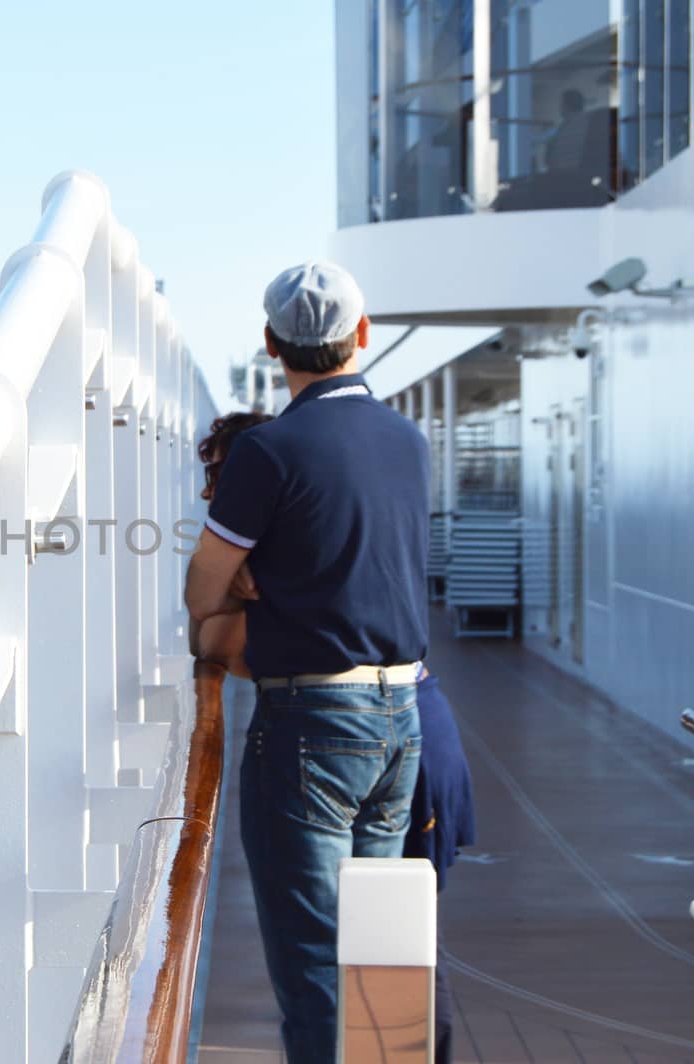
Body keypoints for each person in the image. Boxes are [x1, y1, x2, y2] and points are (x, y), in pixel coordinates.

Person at [184, 261, 430, 1062]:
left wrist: (253, 584)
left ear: (269, 344)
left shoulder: (270, 451)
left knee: (314, 961)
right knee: (379, 945)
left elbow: (201, 591)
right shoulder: (408, 441)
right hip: (402, 718)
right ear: (363, 335)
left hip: (311, 729)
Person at [192, 411, 476, 1064]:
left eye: (217, 476)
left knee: (370, 945)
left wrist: (225, 598)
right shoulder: (306, 535)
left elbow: (220, 645)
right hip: (412, 728)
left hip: (395, 742)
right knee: (388, 932)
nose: (210, 494)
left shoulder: (276, 554)